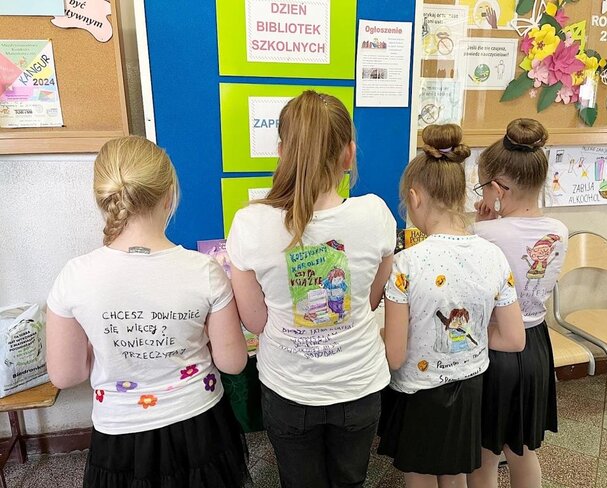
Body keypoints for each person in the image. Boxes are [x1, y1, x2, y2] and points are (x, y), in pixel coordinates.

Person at [46, 136, 251, 488]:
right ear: (169, 196)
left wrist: (103, 343)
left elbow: (65, 375)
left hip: (118, 434)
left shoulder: (74, 276)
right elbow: (233, 363)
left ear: (103, 198)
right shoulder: (204, 270)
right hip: (200, 425)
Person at [226, 90, 396, 488]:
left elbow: (255, 321)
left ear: (282, 152)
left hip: (288, 390)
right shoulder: (375, 213)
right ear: (348, 154)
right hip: (359, 385)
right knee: (350, 480)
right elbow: (372, 299)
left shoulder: (250, 223)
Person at [378, 124, 525, 488]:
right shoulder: (494, 256)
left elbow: (394, 356)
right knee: (456, 474)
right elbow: (514, 339)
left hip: (419, 393)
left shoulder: (406, 264)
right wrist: (469, 337)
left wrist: (378, 333)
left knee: (421, 477)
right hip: (470, 390)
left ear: (414, 198)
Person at [467, 119, 568, 488]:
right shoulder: (559, 231)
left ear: (497, 189)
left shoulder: (482, 234)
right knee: (522, 448)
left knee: (484, 452)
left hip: (494, 346)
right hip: (536, 346)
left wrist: (484, 224)